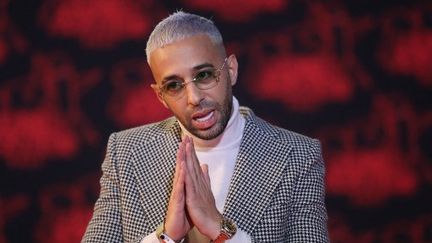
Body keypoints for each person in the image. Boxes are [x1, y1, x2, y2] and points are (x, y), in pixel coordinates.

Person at [82, 11, 329, 243]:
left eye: (203, 75)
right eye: (174, 86)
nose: (193, 97)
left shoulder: (298, 155)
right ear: (160, 97)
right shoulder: (126, 151)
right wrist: (166, 237)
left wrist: (219, 230)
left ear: (231, 70)